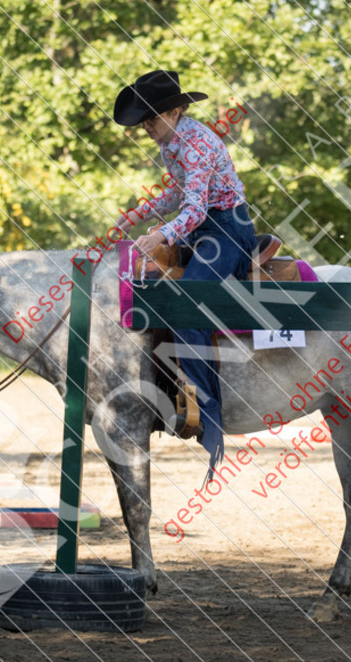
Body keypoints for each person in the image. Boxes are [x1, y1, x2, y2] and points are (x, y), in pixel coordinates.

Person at [112, 70, 256, 472]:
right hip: (205, 225)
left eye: (152, 118)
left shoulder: (196, 145)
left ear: (175, 111)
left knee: (188, 299)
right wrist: (138, 215)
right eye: (143, 120)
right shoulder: (171, 144)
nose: (146, 126)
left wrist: (159, 234)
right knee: (155, 281)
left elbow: (193, 209)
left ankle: (204, 407)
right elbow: (179, 194)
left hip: (228, 227)